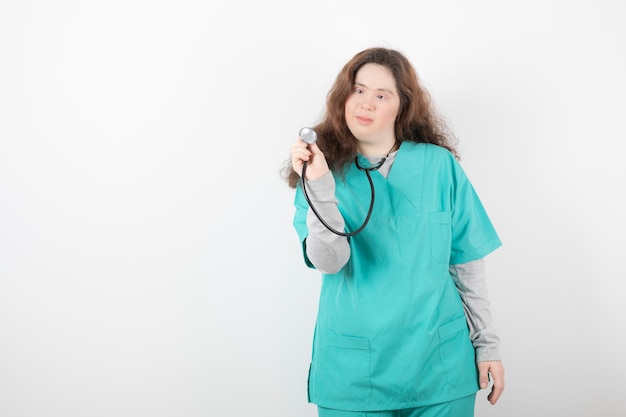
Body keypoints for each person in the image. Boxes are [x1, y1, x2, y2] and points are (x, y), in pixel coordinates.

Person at [283, 47, 505, 417]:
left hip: (440, 366)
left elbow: (466, 265)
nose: (365, 103)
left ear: (402, 107)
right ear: (343, 97)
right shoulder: (322, 174)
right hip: (354, 372)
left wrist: (488, 346)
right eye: (358, 90)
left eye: (381, 95)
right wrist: (320, 185)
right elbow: (330, 262)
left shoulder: (438, 165)